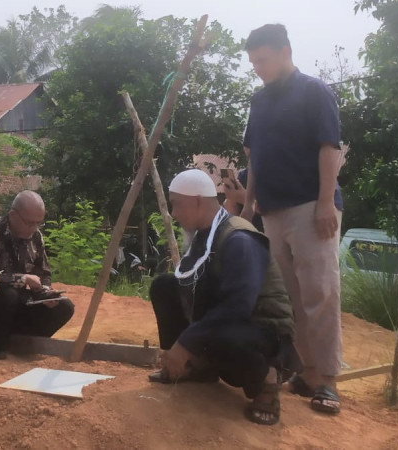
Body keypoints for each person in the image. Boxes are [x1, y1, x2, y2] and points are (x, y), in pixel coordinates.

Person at [241, 24, 344, 415]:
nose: (257, 68)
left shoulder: (314, 91)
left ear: (285, 52)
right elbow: (257, 157)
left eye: (262, 60)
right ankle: (305, 372)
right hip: (273, 211)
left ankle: (328, 381)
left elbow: (329, 148)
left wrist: (323, 202)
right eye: (252, 62)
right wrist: (249, 205)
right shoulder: (259, 101)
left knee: (320, 292)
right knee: (289, 299)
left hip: (310, 207)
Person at [148, 169, 299, 426]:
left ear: (196, 200)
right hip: (230, 320)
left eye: (177, 204)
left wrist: (186, 341)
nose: (173, 213)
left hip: (261, 329)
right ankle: (196, 367)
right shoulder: (205, 234)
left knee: (224, 334)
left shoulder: (239, 238)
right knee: (165, 286)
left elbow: (238, 306)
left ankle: (267, 381)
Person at [0, 191, 75, 359]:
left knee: (64, 307)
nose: (33, 228)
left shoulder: (36, 236)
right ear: (13, 215)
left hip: (17, 301)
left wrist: (46, 293)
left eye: (38, 223)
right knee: (7, 295)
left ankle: (20, 342)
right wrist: (23, 279)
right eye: (29, 223)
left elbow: (44, 273)